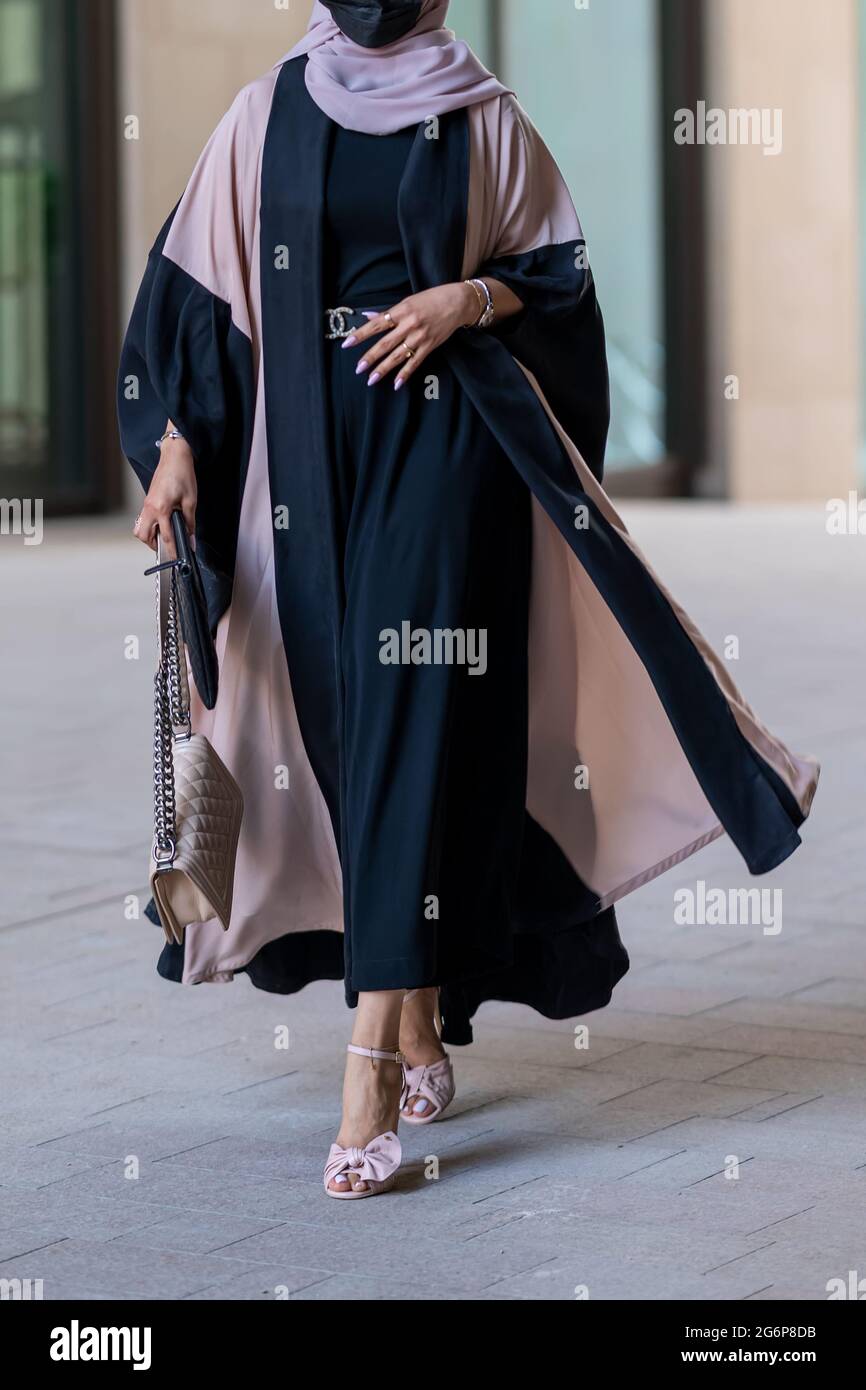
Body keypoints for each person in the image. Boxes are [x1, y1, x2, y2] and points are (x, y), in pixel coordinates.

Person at [119, 0, 819, 1201]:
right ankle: (419, 1016)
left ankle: (365, 1079)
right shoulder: (264, 113)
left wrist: (465, 302)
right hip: (300, 474)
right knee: (341, 740)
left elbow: (557, 283)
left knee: (410, 727)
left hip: (446, 463)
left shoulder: (479, 117)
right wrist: (176, 443)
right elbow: (188, 301)